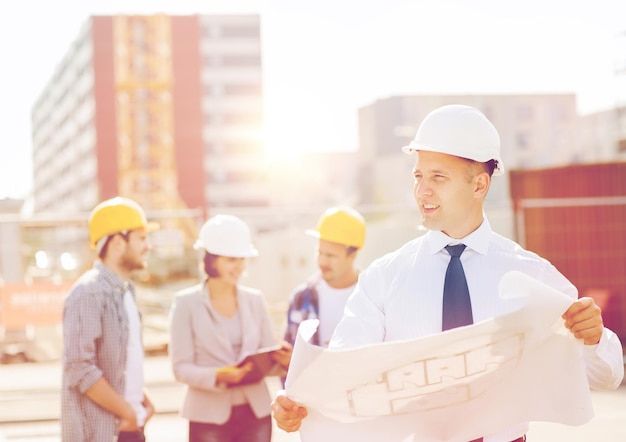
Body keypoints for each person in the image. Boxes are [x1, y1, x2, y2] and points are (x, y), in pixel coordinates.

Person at [271, 104, 624, 441]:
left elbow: (607, 376)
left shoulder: (532, 276)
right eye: (419, 176)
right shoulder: (384, 278)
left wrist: (594, 339)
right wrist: (296, 401)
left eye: (438, 177)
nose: (422, 190)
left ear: (479, 185)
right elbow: (344, 370)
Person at [169, 214, 290, 442]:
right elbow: (180, 368)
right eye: (231, 260)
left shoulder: (255, 300)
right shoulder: (186, 304)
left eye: (241, 259)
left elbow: (266, 360)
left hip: (256, 413)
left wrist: (282, 362)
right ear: (211, 260)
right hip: (207, 415)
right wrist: (220, 376)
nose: (239, 267)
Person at [61, 197, 158, 442]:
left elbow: (119, 362)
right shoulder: (89, 292)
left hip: (128, 426)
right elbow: (79, 367)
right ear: (117, 242)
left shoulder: (125, 291)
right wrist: (126, 411)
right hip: (104, 432)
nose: (148, 246)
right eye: (142, 238)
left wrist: (140, 399)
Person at [283, 206, 366, 348]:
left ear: (353, 254)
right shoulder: (300, 298)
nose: (322, 262)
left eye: (331, 255)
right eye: (320, 253)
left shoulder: (372, 296)